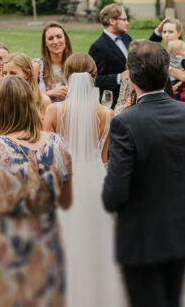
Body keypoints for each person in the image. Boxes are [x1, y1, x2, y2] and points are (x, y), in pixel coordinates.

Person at [103, 40, 185, 307]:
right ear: (167, 73)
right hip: (180, 228)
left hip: (141, 235)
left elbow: (115, 193)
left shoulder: (125, 123)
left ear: (130, 77)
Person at [0, 75, 73, 306]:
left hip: (2, 251)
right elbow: (65, 201)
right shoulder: (57, 144)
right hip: (45, 247)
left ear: (1, 107)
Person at [44, 59, 122, 307]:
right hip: (94, 182)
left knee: (64, 243)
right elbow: (104, 157)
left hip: (63, 180)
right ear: (94, 77)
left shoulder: (54, 111)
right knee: (95, 245)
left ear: (65, 78)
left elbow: (48, 153)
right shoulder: (107, 113)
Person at [88, 3, 132, 109]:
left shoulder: (126, 38)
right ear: (112, 21)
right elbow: (93, 78)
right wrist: (118, 77)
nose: (127, 23)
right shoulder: (98, 46)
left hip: (131, 98)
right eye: (124, 19)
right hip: (112, 103)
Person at [34, 21, 73, 101]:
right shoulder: (38, 66)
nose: (55, 42)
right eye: (50, 38)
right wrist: (50, 93)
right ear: (45, 43)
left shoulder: (74, 64)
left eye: (59, 37)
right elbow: (27, 95)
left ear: (65, 39)